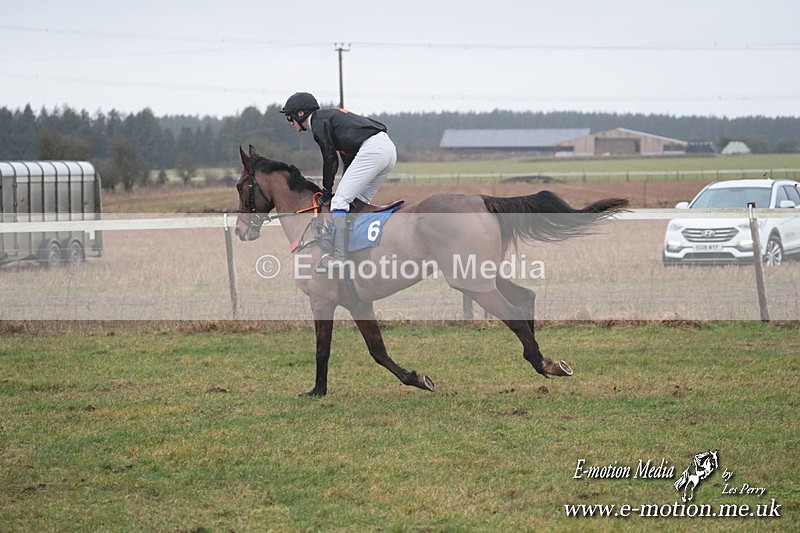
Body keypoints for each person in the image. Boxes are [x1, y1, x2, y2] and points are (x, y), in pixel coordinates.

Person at [280, 92, 397, 273]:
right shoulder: (329, 120)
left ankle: (339, 257)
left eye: (290, 117)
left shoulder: (318, 123)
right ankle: (357, 250)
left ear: (301, 113)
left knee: (339, 202)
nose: (290, 122)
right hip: (387, 150)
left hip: (374, 150)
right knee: (355, 202)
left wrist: (327, 190)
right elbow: (347, 162)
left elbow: (330, 159)